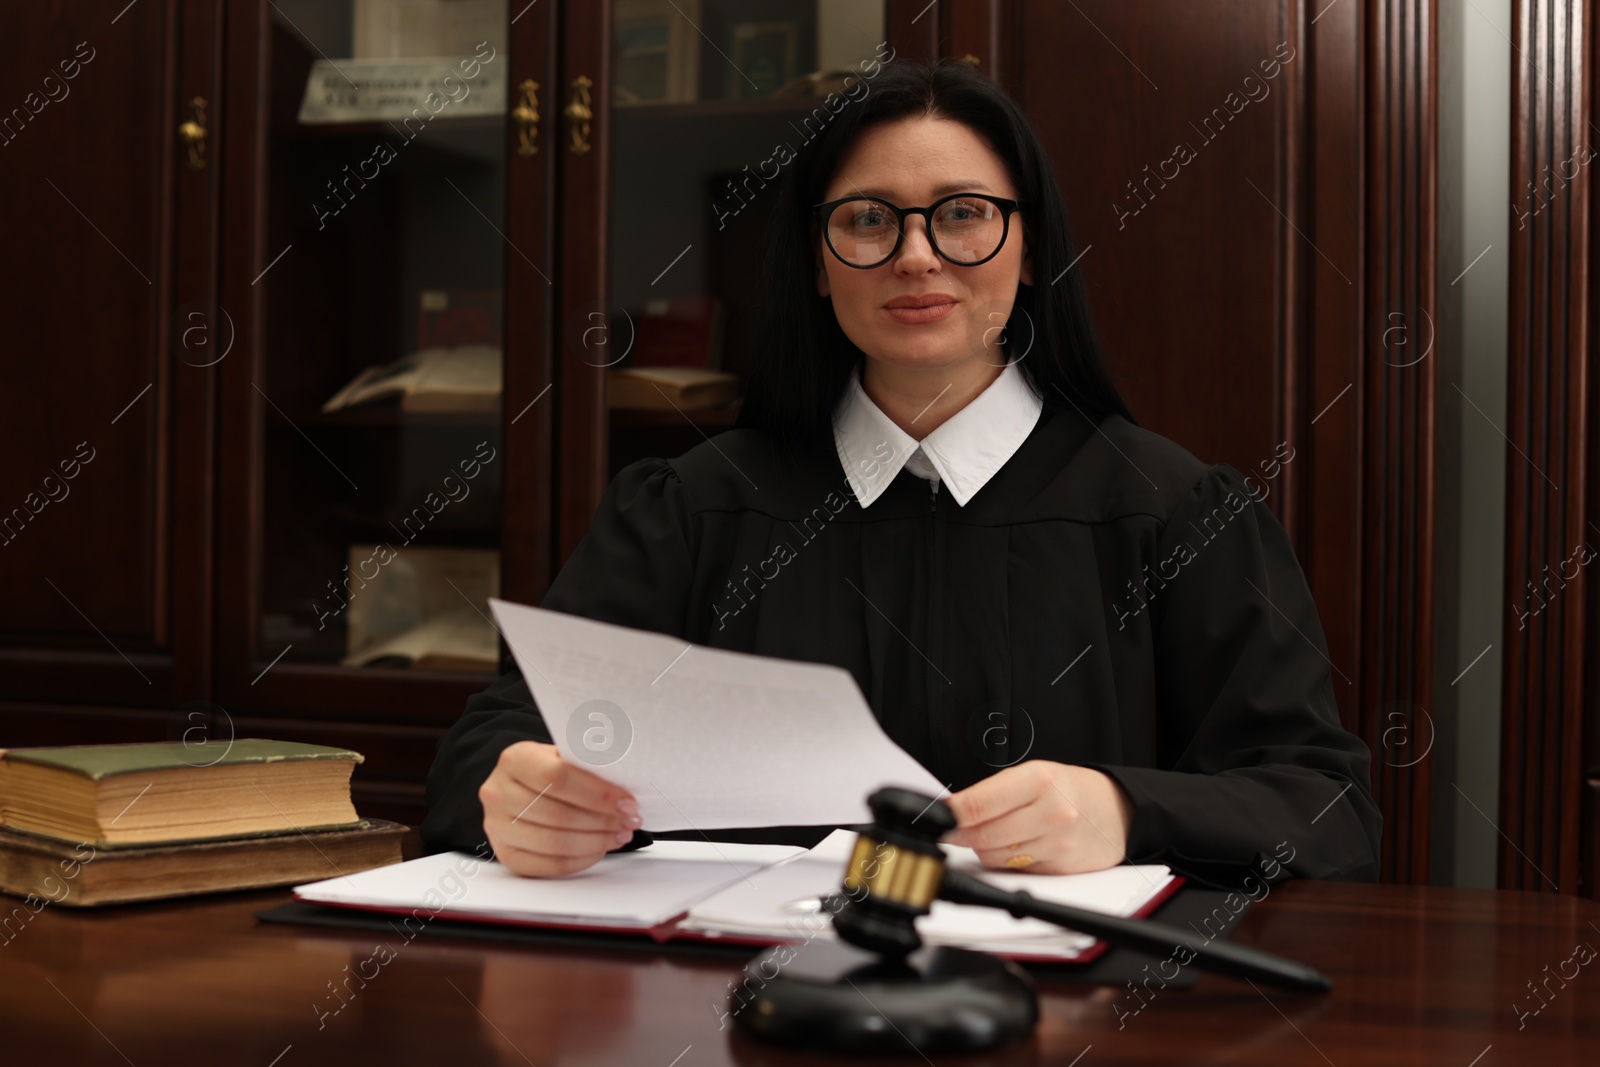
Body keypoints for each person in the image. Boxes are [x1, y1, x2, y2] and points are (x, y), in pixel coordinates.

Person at [420, 58, 1382, 888]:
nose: (918, 257)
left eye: (964, 215)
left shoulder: (1175, 514)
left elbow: (1321, 805)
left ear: (1031, 243)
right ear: (819, 259)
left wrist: (1125, 809)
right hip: (736, 1012)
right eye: (870, 219)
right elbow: (495, 740)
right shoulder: (692, 507)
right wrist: (519, 791)